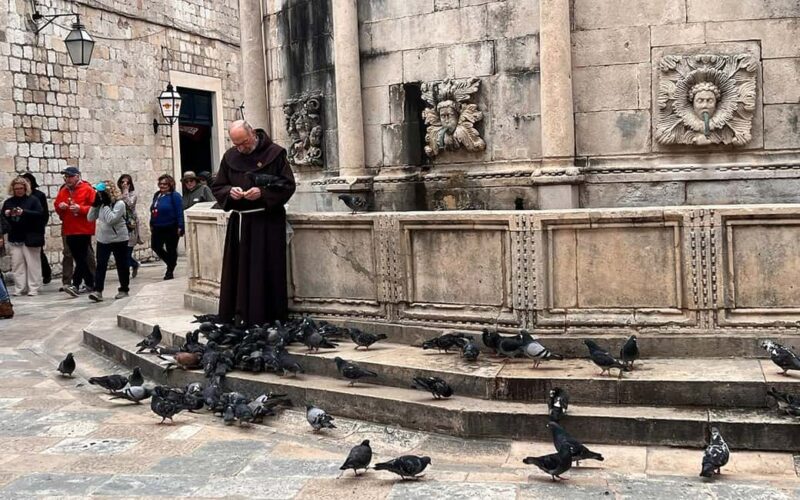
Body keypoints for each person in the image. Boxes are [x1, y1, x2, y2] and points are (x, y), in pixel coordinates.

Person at [212, 120, 295, 326]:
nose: (241, 148)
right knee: (239, 270)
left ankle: (268, 317)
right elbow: (219, 185)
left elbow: (288, 185)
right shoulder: (230, 157)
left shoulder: (275, 153)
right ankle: (239, 314)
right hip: (240, 221)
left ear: (253, 135)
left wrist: (263, 192)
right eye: (236, 144)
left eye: (244, 143)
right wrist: (229, 192)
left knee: (265, 269)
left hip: (267, 221)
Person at [54, 166, 96, 297]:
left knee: (82, 257)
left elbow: (95, 208)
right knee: (79, 258)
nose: (68, 179)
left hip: (83, 228)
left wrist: (80, 209)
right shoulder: (64, 190)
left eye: (70, 176)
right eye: (66, 177)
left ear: (78, 176)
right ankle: (91, 283)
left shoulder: (87, 189)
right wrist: (61, 207)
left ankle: (76, 284)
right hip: (69, 228)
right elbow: (57, 205)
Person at [1, 177, 44, 296]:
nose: (19, 191)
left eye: (21, 188)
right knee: (17, 264)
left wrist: (24, 212)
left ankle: (33, 288)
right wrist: (7, 213)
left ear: (25, 188)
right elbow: (3, 218)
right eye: (16, 189)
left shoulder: (33, 200)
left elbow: (40, 214)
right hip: (15, 236)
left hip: (30, 236)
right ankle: (20, 288)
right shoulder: (9, 202)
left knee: (32, 263)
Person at [87, 181, 130, 302]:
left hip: (119, 239)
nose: (99, 195)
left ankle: (124, 289)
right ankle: (98, 290)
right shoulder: (100, 204)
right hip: (103, 239)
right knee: (101, 265)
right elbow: (90, 218)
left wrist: (106, 205)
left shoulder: (120, 204)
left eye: (101, 193)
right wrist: (95, 205)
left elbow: (111, 219)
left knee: (121, 264)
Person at [149, 174, 184, 280]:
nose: (162, 186)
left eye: (165, 184)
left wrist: (180, 226)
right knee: (155, 246)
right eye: (160, 184)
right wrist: (151, 222)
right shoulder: (157, 195)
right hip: (157, 226)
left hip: (171, 226)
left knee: (171, 248)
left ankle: (170, 271)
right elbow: (153, 210)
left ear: (170, 184)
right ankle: (171, 262)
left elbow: (179, 211)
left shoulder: (175, 196)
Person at [20, 172, 51, 284]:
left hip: (36, 228)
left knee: (38, 252)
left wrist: (41, 225)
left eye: (28, 181)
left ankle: (46, 273)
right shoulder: (21, 196)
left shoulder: (39, 195)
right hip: (23, 228)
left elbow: (44, 213)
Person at [118, 174, 142, 278]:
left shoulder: (133, 194)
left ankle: (126, 272)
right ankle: (133, 264)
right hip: (119, 225)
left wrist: (126, 192)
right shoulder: (117, 194)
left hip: (130, 225)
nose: (124, 184)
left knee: (127, 251)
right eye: (122, 182)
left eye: (126, 182)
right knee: (121, 252)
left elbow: (130, 205)